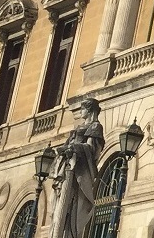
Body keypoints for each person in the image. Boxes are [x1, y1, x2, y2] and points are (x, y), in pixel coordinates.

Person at [49, 98, 105, 238]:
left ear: (90, 110)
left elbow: (91, 148)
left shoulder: (95, 127)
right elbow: (69, 144)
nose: (81, 112)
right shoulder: (78, 128)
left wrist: (74, 148)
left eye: (83, 109)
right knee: (60, 205)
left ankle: (71, 233)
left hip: (80, 169)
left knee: (76, 205)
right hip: (69, 166)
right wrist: (64, 149)